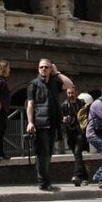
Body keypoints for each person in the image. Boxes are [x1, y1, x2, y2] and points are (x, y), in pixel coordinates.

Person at [26, 58, 74, 191]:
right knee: (42, 154)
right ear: (38, 69)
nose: (43, 69)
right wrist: (30, 122)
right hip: (40, 124)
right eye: (41, 67)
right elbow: (30, 104)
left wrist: (57, 72)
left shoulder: (54, 84)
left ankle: (45, 181)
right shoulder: (33, 84)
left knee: (49, 154)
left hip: (53, 124)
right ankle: (44, 183)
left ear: (50, 69)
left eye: (46, 67)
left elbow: (70, 85)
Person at [60, 88, 90, 186]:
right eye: (69, 93)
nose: (71, 95)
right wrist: (64, 119)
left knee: (77, 153)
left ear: (76, 93)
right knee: (77, 155)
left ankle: (77, 176)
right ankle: (85, 177)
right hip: (70, 133)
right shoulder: (64, 105)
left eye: (72, 93)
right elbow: (61, 118)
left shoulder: (82, 103)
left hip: (80, 132)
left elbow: (86, 116)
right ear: (66, 93)